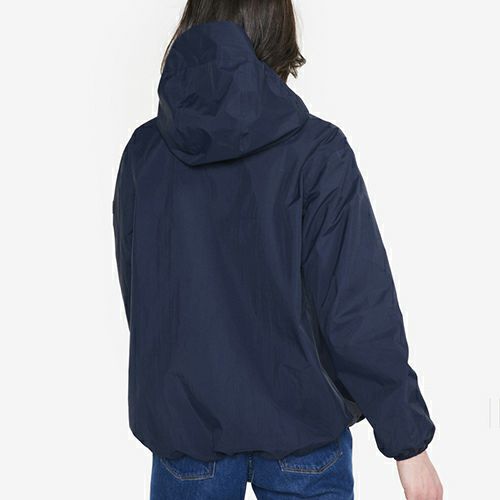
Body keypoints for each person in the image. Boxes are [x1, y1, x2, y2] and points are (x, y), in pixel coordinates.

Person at [113, 1, 443, 498]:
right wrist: (409, 445)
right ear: (276, 33)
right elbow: (355, 308)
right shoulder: (318, 151)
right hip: (302, 435)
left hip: (190, 435)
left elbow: (144, 297)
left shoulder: (145, 153)